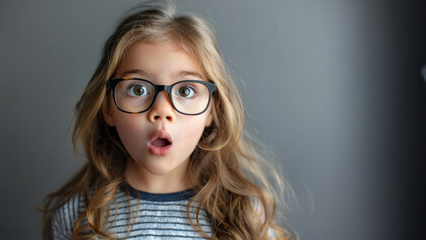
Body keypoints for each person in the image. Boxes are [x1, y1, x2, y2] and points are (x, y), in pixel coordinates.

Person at [42, 2, 295, 239]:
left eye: (185, 91)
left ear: (211, 111)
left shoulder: (246, 216)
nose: (162, 111)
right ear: (108, 108)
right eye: (138, 89)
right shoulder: (76, 217)